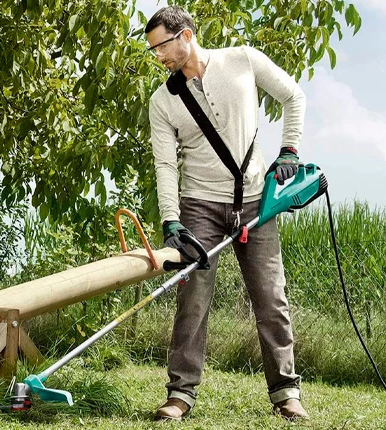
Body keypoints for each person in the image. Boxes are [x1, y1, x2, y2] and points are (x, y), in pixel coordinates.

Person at [142, 6, 309, 421]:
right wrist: (171, 219)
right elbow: (165, 165)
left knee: (271, 298)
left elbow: (294, 96)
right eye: (153, 50)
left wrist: (289, 149)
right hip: (198, 205)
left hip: (256, 199)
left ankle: (286, 393)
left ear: (185, 36)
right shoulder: (163, 101)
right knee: (192, 302)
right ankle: (180, 395)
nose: (158, 57)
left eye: (161, 46)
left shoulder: (243, 61)